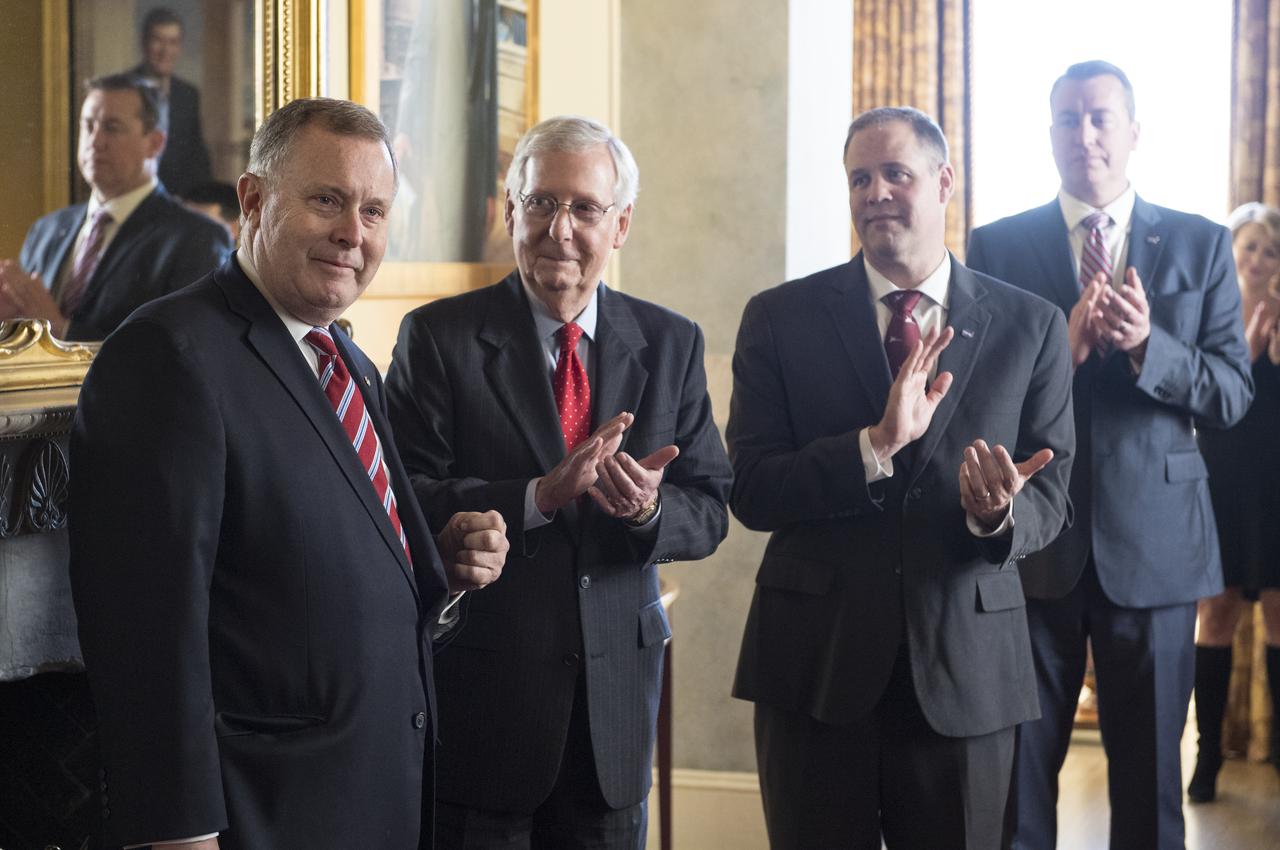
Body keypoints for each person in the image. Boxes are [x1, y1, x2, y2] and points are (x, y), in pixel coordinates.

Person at [69, 97, 509, 850]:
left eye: (374, 211)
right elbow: (145, 634)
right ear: (253, 200)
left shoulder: (351, 363)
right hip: (258, 817)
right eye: (328, 201)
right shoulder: (169, 357)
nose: (353, 234)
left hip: (373, 803)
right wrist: (179, 832)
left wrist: (436, 568)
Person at [728, 106, 1075, 850]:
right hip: (814, 672)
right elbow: (751, 488)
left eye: (896, 174)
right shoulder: (778, 319)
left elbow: (1053, 490)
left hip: (967, 674)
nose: (876, 192)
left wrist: (998, 517)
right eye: (860, 178)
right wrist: (872, 446)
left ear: (945, 181)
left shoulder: (1032, 324)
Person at [385, 115, 732, 849]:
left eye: (584, 207)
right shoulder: (437, 337)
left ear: (622, 224)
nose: (559, 228)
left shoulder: (671, 342)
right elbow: (402, 495)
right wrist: (537, 498)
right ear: (511, 211)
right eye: (540, 203)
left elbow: (709, 505)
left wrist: (645, 513)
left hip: (612, 718)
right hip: (486, 709)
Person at [966, 60, 1254, 849]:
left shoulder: (1201, 242)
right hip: (1030, 550)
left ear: (1134, 132)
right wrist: (1062, 346)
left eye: (1100, 118)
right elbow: (973, 401)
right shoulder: (996, 244)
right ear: (1050, 134)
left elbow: (1231, 394)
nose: (1083, 135)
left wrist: (1146, 347)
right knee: (1017, 787)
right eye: (1066, 119)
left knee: (1151, 793)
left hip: (1158, 550)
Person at [0, 73, 231, 341]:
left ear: (155, 143)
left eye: (111, 127)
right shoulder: (47, 229)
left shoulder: (196, 238)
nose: (95, 141)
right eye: (88, 126)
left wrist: (61, 329)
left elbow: (182, 350)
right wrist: (9, 325)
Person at [1187, 202, 1280, 802]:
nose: (1256, 258)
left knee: (1279, 619)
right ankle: (1207, 759)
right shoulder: (1210, 318)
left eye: (1269, 250)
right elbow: (1198, 403)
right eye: (1248, 245)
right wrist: (1244, 356)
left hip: (1275, 488)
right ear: (1230, 252)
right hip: (1219, 482)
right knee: (1215, 616)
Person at [132, 6, 213, 197]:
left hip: (178, 202)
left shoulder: (188, 94)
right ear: (144, 43)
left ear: (179, 47)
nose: (165, 50)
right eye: (158, 40)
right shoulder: (122, 90)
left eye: (173, 42)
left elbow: (198, 157)